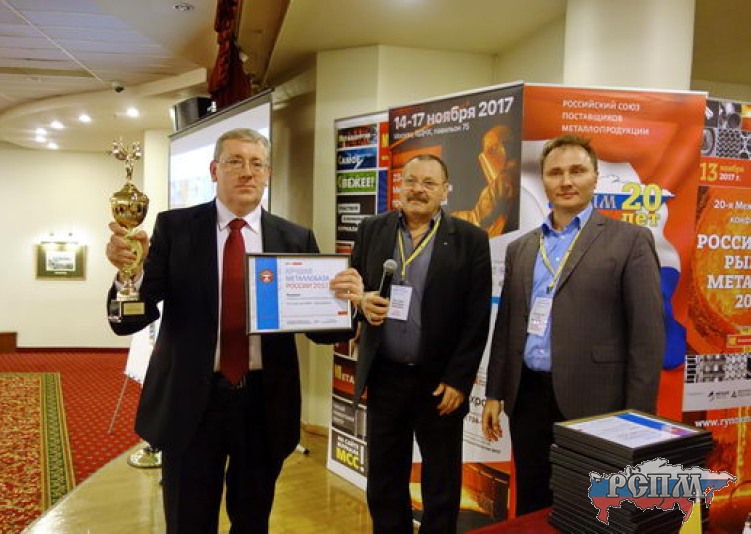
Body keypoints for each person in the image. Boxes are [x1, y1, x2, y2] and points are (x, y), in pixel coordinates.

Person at [105, 128, 359, 533]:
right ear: (214, 170)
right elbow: (131, 320)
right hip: (191, 403)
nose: (247, 172)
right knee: (188, 522)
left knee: (253, 521)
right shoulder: (175, 228)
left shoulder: (295, 238)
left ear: (268, 173)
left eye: (257, 163)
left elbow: (323, 334)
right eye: (235, 161)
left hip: (263, 404)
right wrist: (128, 275)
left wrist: (346, 303)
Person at [481, 134, 665, 515]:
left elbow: (647, 338)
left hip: (596, 401)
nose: (566, 181)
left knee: (591, 509)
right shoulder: (521, 248)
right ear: (543, 181)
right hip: (527, 397)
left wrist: (638, 419)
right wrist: (495, 393)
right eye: (555, 173)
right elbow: (507, 325)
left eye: (577, 171)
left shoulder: (630, 241)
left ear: (595, 177)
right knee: (533, 503)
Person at [340, 154, 492, 533]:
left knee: (441, 482)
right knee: (384, 478)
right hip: (385, 376)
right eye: (410, 181)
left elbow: (477, 317)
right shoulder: (372, 229)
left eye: (429, 183)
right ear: (399, 186)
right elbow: (352, 288)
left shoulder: (470, 239)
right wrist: (361, 303)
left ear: (445, 191)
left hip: (439, 384)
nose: (418, 190)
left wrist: (458, 380)